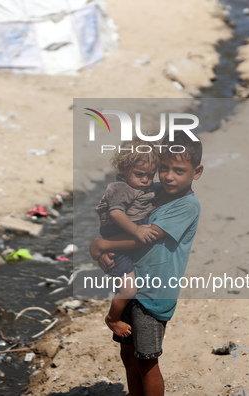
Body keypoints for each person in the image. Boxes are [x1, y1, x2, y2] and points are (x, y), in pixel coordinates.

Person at [89, 132, 203, 396]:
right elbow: (123, 217)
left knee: (147, 361)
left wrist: (102, 246)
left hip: (154, 294)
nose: (168, 176)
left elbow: (144, 239)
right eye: (163, 168)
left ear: (197, 172)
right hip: (132, 283)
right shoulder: (153, 192)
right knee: (128, 355)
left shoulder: (186, 206)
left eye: (178, 170)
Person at [95, 138, 160, 338]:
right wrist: (136, 230)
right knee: (129, 289)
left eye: (150, 175)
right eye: (140, 175)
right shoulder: (120, 188)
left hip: (126, 238)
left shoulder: (140, 187)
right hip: (118, 241)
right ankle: (112, 318)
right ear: (123, 168)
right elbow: (115, 213)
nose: (146, 181)